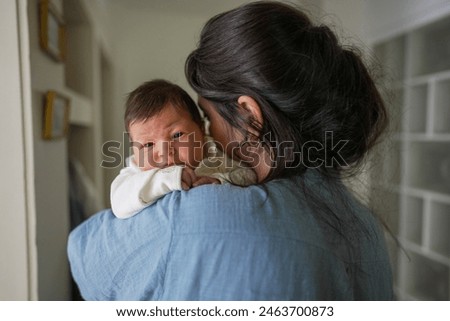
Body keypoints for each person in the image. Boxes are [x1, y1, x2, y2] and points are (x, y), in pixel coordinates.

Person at [68, 1, 393, 300]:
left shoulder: (199, 208)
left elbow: (83, 254)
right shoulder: (367, 229)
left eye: (207, 118)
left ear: (250, 115)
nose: (208, 133)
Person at [110, 79, 257, 219]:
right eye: (148, 145)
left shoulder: (215, 153)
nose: (164, 151)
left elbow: (248, 175)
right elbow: (118, 203)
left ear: (202, 131)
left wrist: (221, 182)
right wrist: (165, 179)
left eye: (177, 135)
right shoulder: (136, 172)